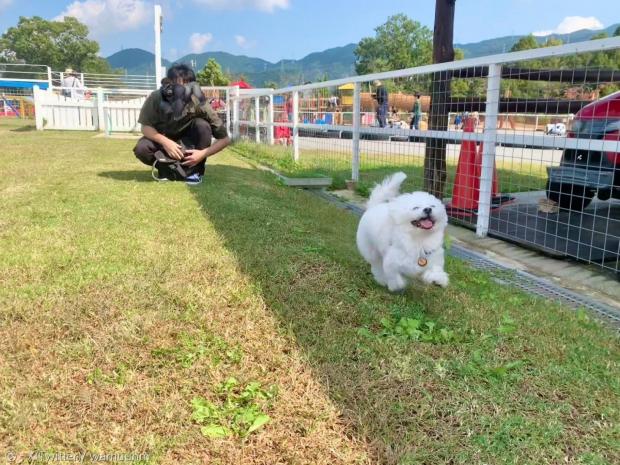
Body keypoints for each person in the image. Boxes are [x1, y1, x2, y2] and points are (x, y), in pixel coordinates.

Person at [133, 64, 230, 185]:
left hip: (188, 145)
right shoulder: (156, 97)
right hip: (163, 141)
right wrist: (166, 142)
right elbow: (145, 127)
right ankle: (167, 170)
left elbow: (225, 139)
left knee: (202, 126)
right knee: (142, 148)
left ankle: (194, 172)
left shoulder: (199, 102)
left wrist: (202, 154)